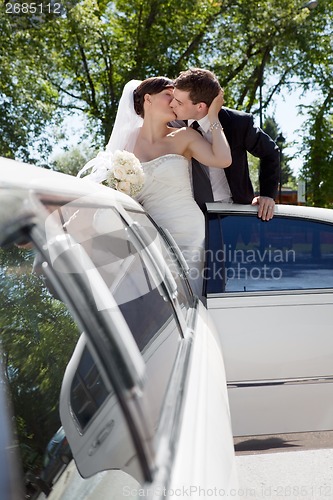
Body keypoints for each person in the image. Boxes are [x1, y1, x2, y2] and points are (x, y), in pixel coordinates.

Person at [79, 77, 231, 297]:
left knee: (186, 299)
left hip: (189, 231)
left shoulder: (184, 136)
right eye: (168, 95)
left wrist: (214, 117)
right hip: (151, 238)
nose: (173, 102)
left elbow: (223, 159)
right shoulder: (126, 143)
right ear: (148, 99)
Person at [170, 68, 280, 221]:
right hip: (186, 213)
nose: (172, 104)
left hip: (233, 214)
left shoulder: (239, 123)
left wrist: (268, 194)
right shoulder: (173, 123)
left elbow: (270, 152)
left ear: (200, 106)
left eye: (179, 102)